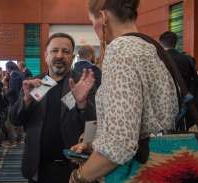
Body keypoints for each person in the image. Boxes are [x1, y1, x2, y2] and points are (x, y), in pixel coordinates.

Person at [69, 0, 179, 182]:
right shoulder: (152, 48)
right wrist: (95, 143)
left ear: (103, 17)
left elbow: (120, 146)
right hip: (165, 166)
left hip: (138, 172)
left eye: (92, 22)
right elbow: (146, 124)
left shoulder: (119, 51)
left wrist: (79, 176)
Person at [9, 32, 96, 183]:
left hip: (74, 170)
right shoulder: (37, 84)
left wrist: (82, 104)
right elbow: (15, 119)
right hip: (39, 169)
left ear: (72, 56)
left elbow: (93, 127)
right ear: (46, 55)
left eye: (66, 51)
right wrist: (27, 100)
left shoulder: (82, 83)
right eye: (55, 50)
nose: (60, 55)